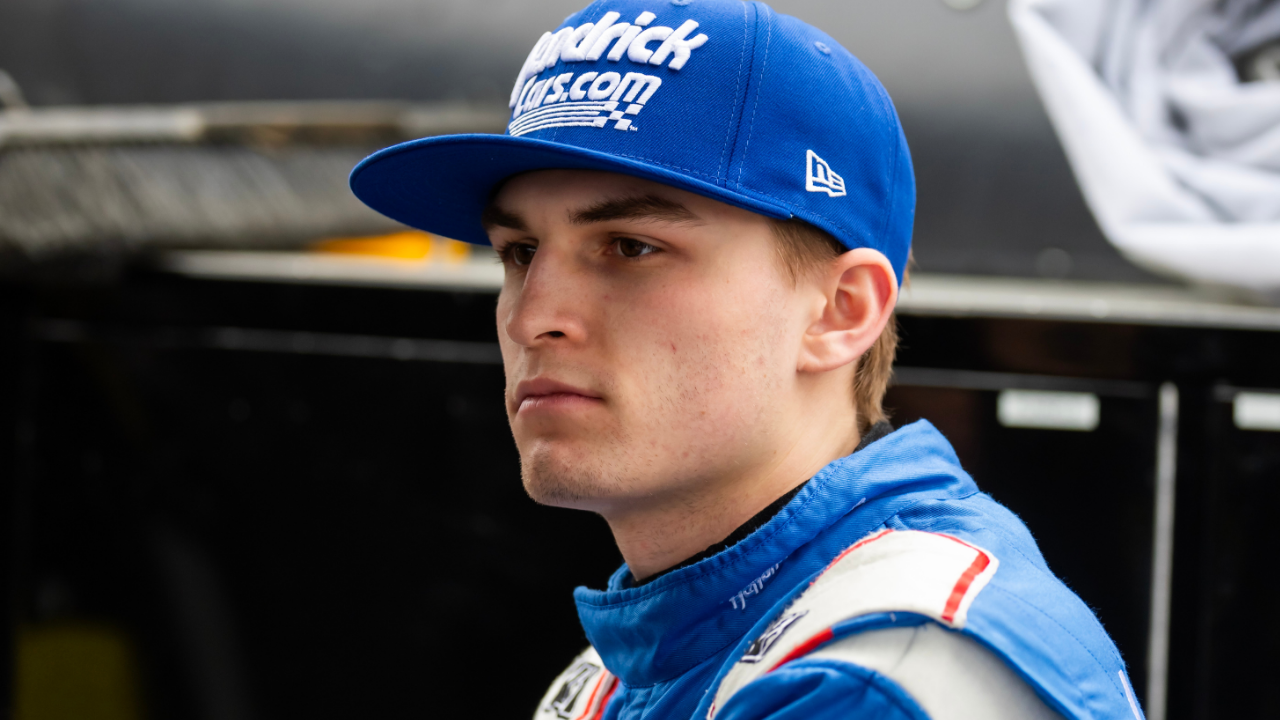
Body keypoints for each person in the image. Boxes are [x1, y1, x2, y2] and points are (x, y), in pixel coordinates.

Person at [350, 1, 1146, 718]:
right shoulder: (631, 668)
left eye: (630, 247)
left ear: (842, 312)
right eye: (518, 251)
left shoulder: (872, 681)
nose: (532, 318)